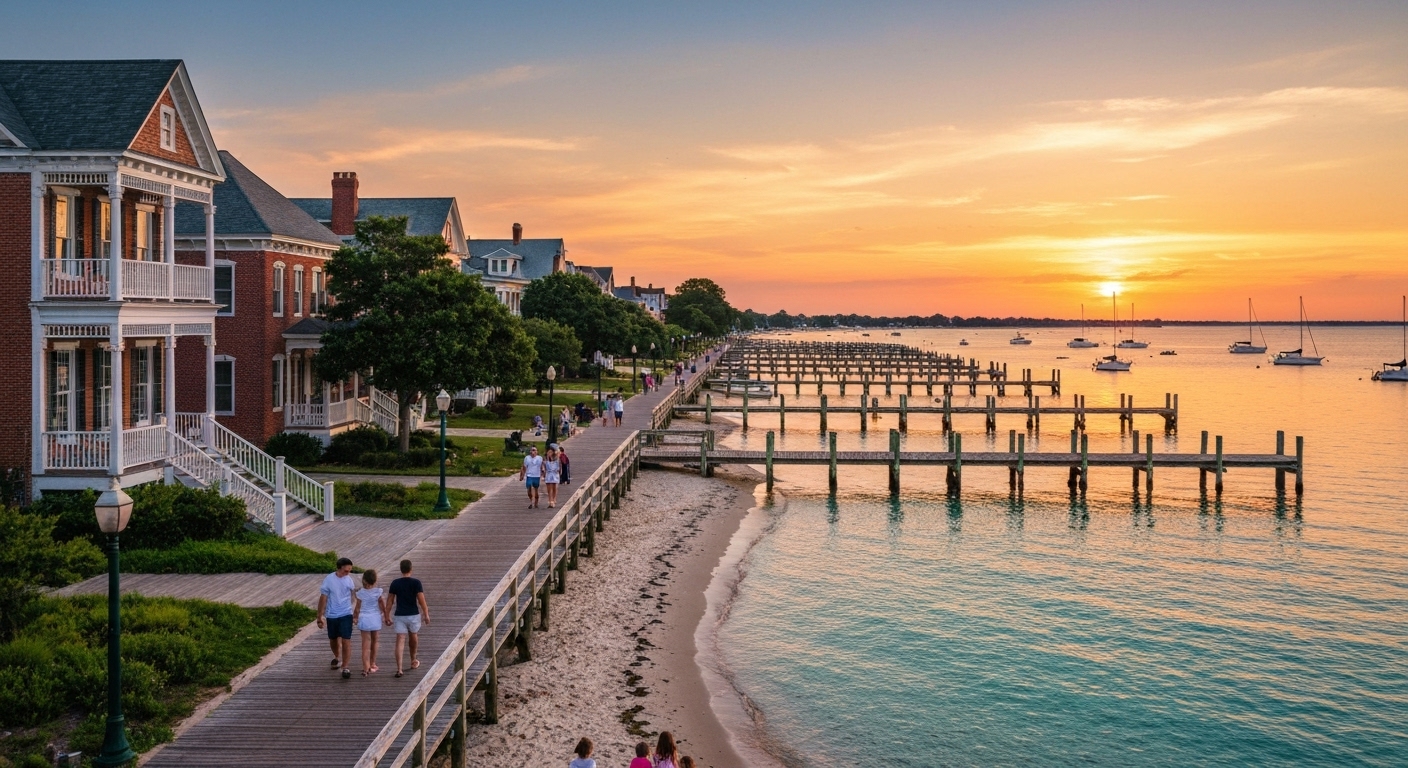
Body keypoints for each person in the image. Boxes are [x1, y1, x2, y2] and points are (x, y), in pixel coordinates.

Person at [388, 559, 430, 678]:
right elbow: (421, 600)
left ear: (401, 569)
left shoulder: (395, 583)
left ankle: (399, 669)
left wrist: (387, 614)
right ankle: (413, 660)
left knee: (400, 640)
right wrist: (426, 613)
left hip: (399, 615)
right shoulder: (416, 583)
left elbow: (390, 601)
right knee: (413, 635)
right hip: (413, 614)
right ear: (411, 569)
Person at [317, 557, 357, 679]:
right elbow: (323, 598)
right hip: (332, 614)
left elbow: (355, 595)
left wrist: (356, 612)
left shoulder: (349, 580)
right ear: (339, 568)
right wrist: (319, 616)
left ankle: (345, 666)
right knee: (333, 639)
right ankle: (336, 656)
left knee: (346, 639)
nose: (348, 573)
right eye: (346, 570)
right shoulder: (329, 580)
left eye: (350, 570)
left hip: (346, 613)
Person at [352, 570, 386, 676]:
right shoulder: (378, 592)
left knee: (365, 645)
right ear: (375, 580)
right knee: (375, 641)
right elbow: (382, 604)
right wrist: (386, 615)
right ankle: (373, 663)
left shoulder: (360, 593)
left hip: (364, 619)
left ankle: (365, 668)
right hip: (375, 618)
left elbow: (357, 608)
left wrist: (355, 617)